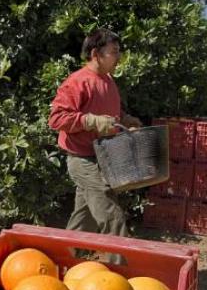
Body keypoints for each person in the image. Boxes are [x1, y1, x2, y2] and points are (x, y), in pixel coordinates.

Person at [48, 28, 142, 238]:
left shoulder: (108, 81)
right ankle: (125, 266)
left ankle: (66, 258)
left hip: (102, 156)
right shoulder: (78, 81)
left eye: (119, 52)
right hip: (82, 159)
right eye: (114, 52)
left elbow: (111, 113)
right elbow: (56, 119)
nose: (119, 57)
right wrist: (91, 121)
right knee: (111, 215)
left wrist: (125, 119)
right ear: (96, 55)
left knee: (85, 219)